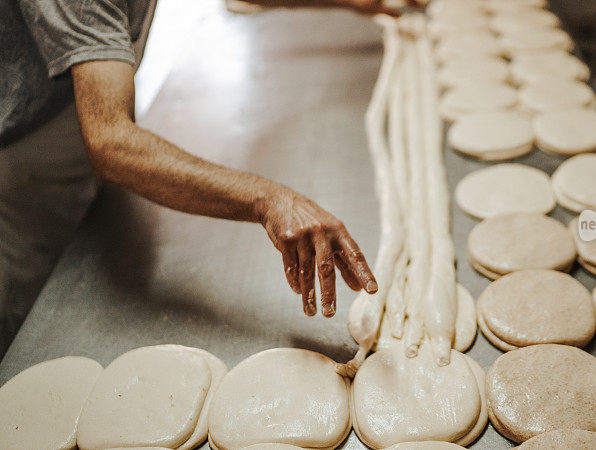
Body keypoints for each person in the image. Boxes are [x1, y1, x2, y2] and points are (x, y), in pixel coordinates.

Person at [0, 0, 401, 356]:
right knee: (41, 325)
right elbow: (109, 142)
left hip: (91, 114)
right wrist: (270, 200)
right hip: (27, 156)